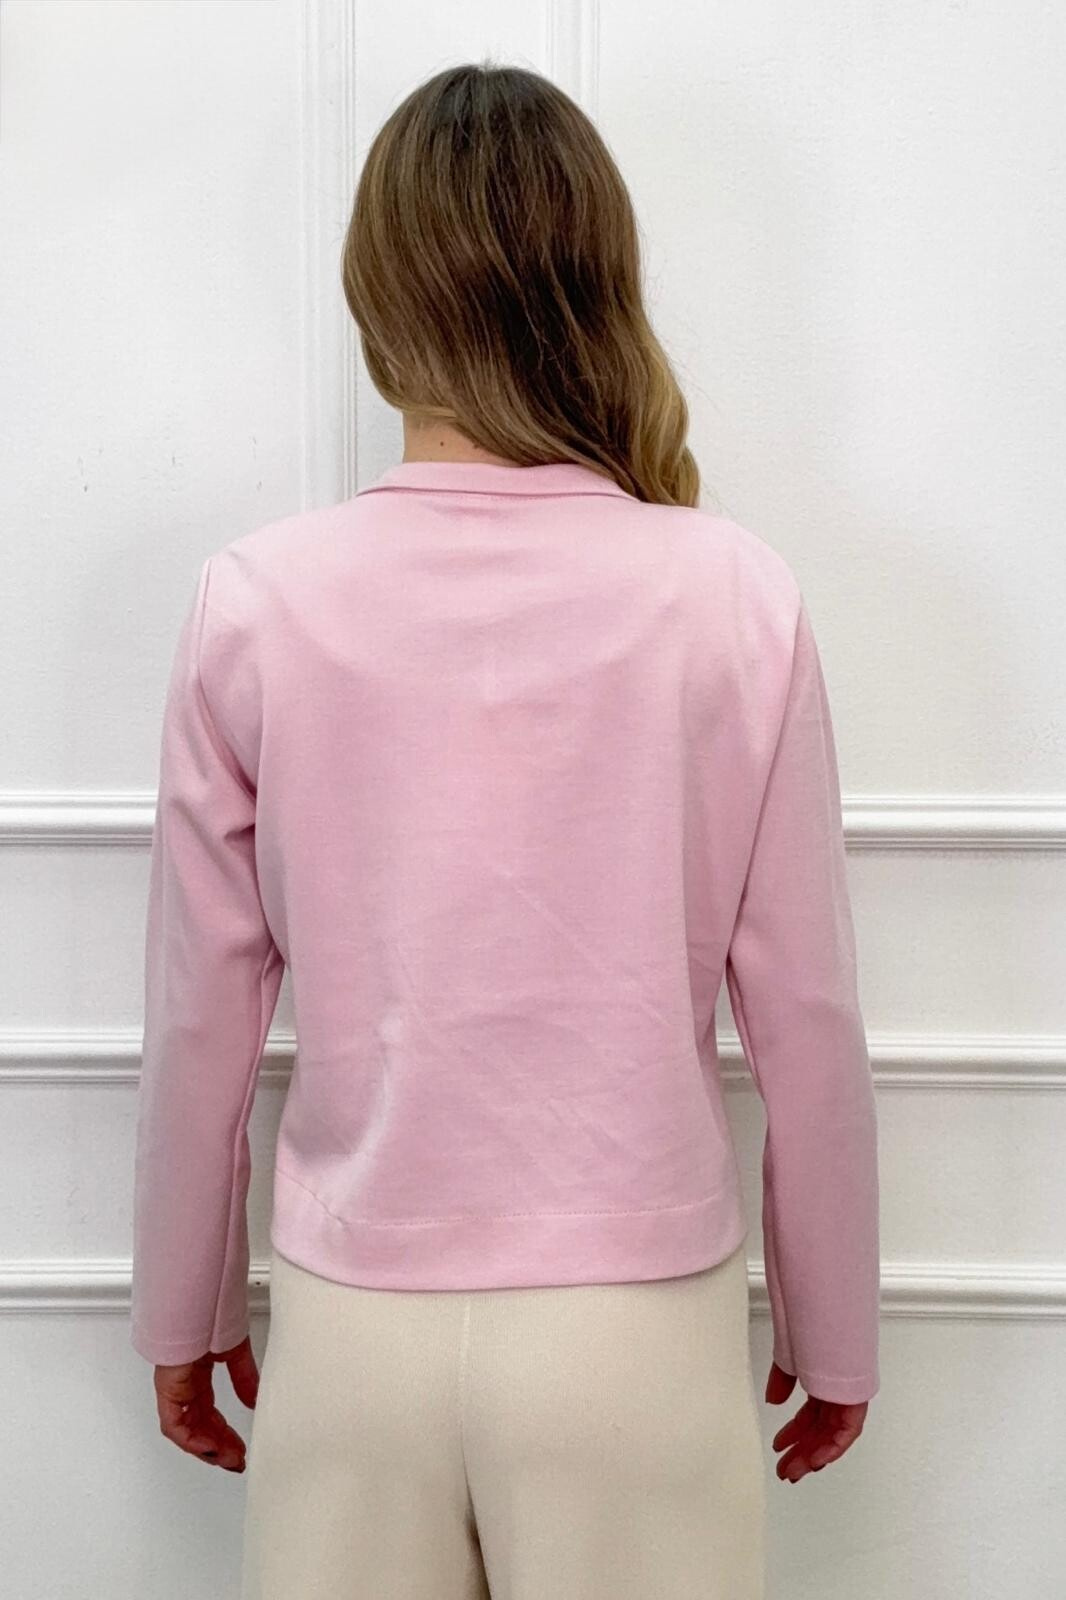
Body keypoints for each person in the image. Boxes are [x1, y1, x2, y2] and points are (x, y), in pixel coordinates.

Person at [129, 60, 880, 1600]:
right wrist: (836, 1326)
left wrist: (179, 1309)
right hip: (632, 1336)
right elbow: (803, 1014)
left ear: (375, 293)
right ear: (596, 284)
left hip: (353, 1330)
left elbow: (201, 1014)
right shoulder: (731, 597)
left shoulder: (256, 602)